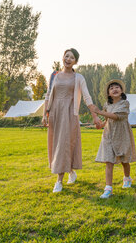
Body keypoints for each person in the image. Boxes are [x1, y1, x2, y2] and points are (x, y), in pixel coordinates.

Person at [42, 48, 102, 193]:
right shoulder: (54, 75)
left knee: (64, 144)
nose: (68, 59)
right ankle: (71, 172)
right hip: (55, 113)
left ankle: (59, 181)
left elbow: (87, 98)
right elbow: (48, 95)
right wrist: (45, 114)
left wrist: (95, 115)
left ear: (75, 62)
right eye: (66, 56)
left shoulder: (79, 78)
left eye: (72, 58)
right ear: (63, 57)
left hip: (69, 114)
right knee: (57, 145)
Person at [95, 79, 136, 199]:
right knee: (109, 161)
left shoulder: (125, 103)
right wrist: (101, 125)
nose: (114, 89)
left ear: (121, 90)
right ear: (108, 93)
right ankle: (108, 188)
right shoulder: (107, 105)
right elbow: (108, 120)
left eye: (117, 87)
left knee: (124, 160)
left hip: (122, 134)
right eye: (111, 88)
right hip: (108, 135)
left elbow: (116, 116)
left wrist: (99, 112)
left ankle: (127, 178)